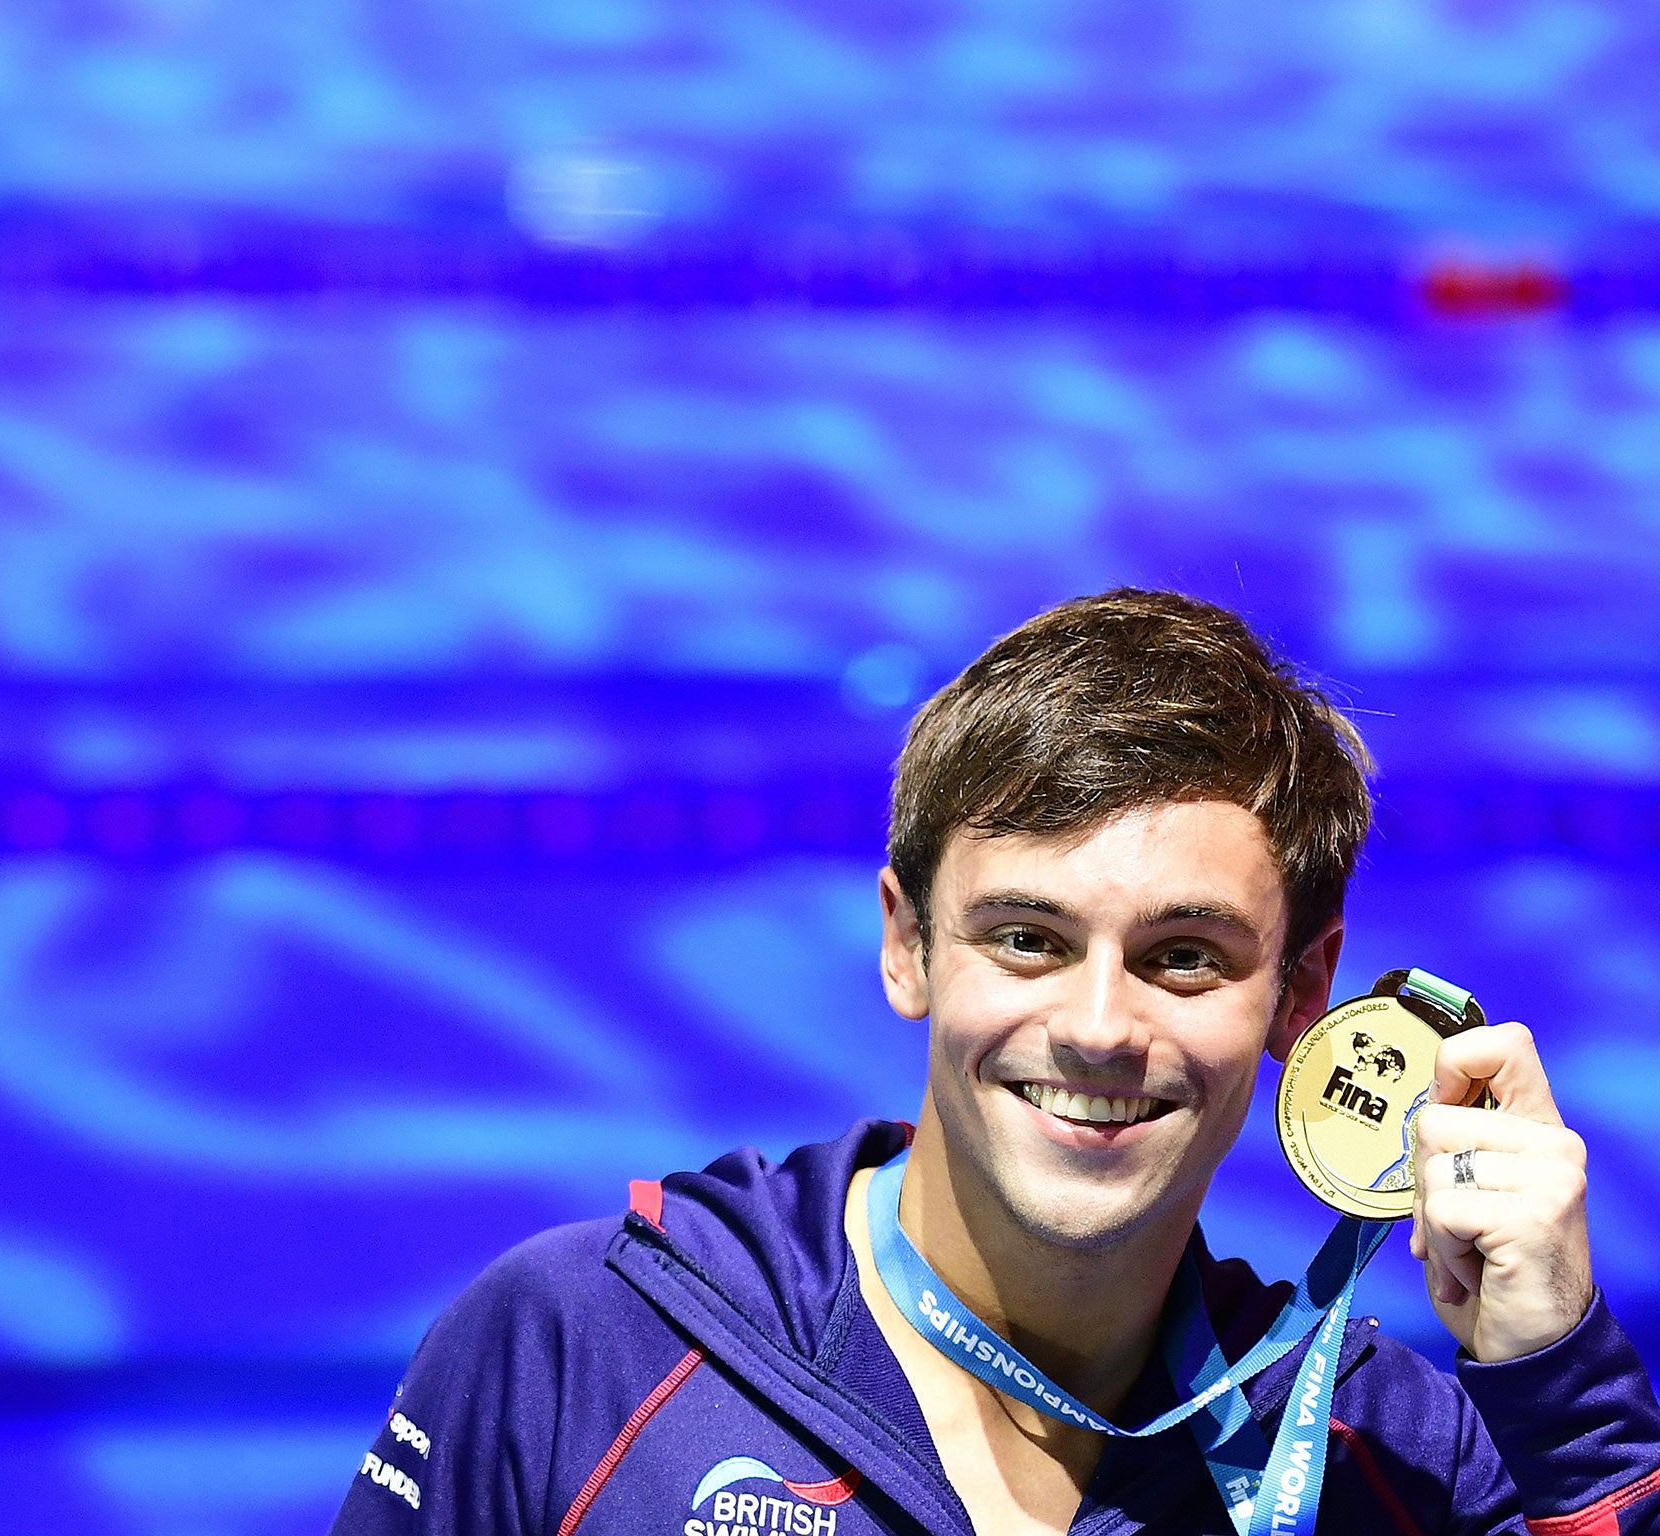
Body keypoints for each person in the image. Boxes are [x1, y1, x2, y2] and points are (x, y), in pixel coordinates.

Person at [329, 589, 1659, 1536]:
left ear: (1300, 994)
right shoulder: (590, 1348)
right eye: (1028, 937)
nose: (1097, 1024)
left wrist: (1560, 1387)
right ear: (908, 948)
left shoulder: (1392, 1460)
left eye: (1184, 955)